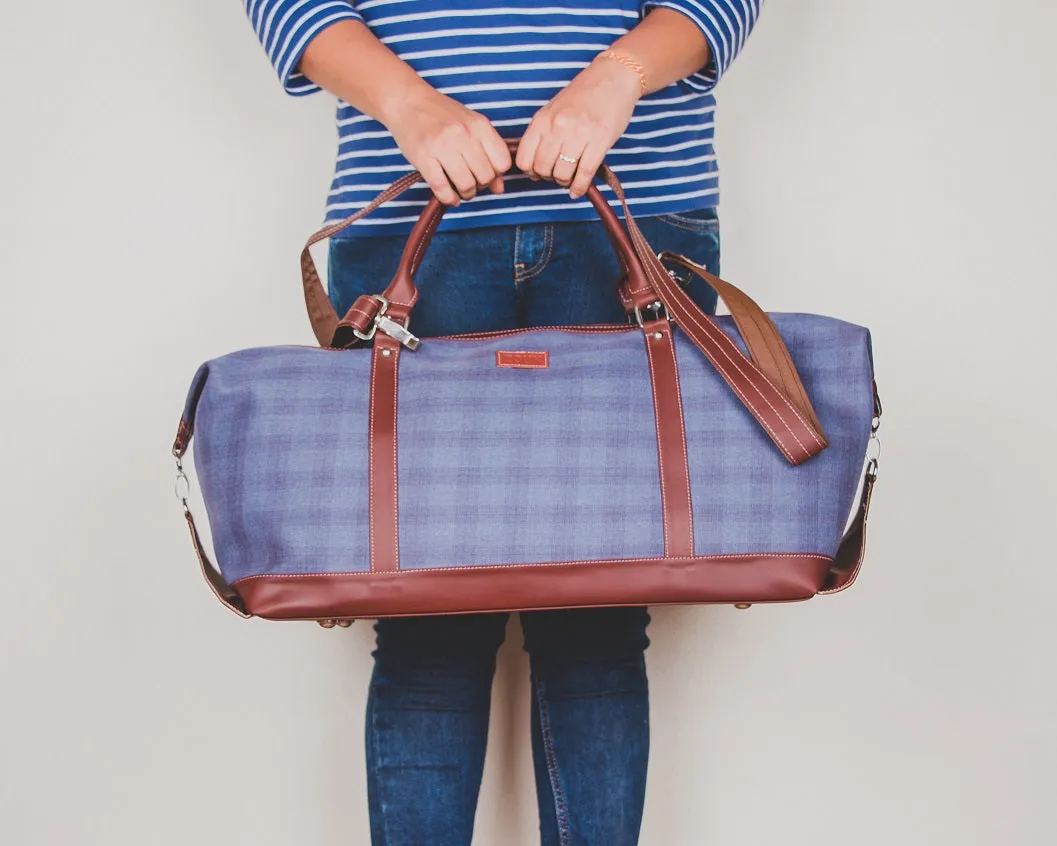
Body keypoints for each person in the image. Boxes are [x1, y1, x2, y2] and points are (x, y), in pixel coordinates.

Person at [244, 2, 761, 843]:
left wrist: (615, 78)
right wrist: (410, 105)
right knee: (425, 615)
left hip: (633, 215)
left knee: (599, 609)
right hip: (415, 215)